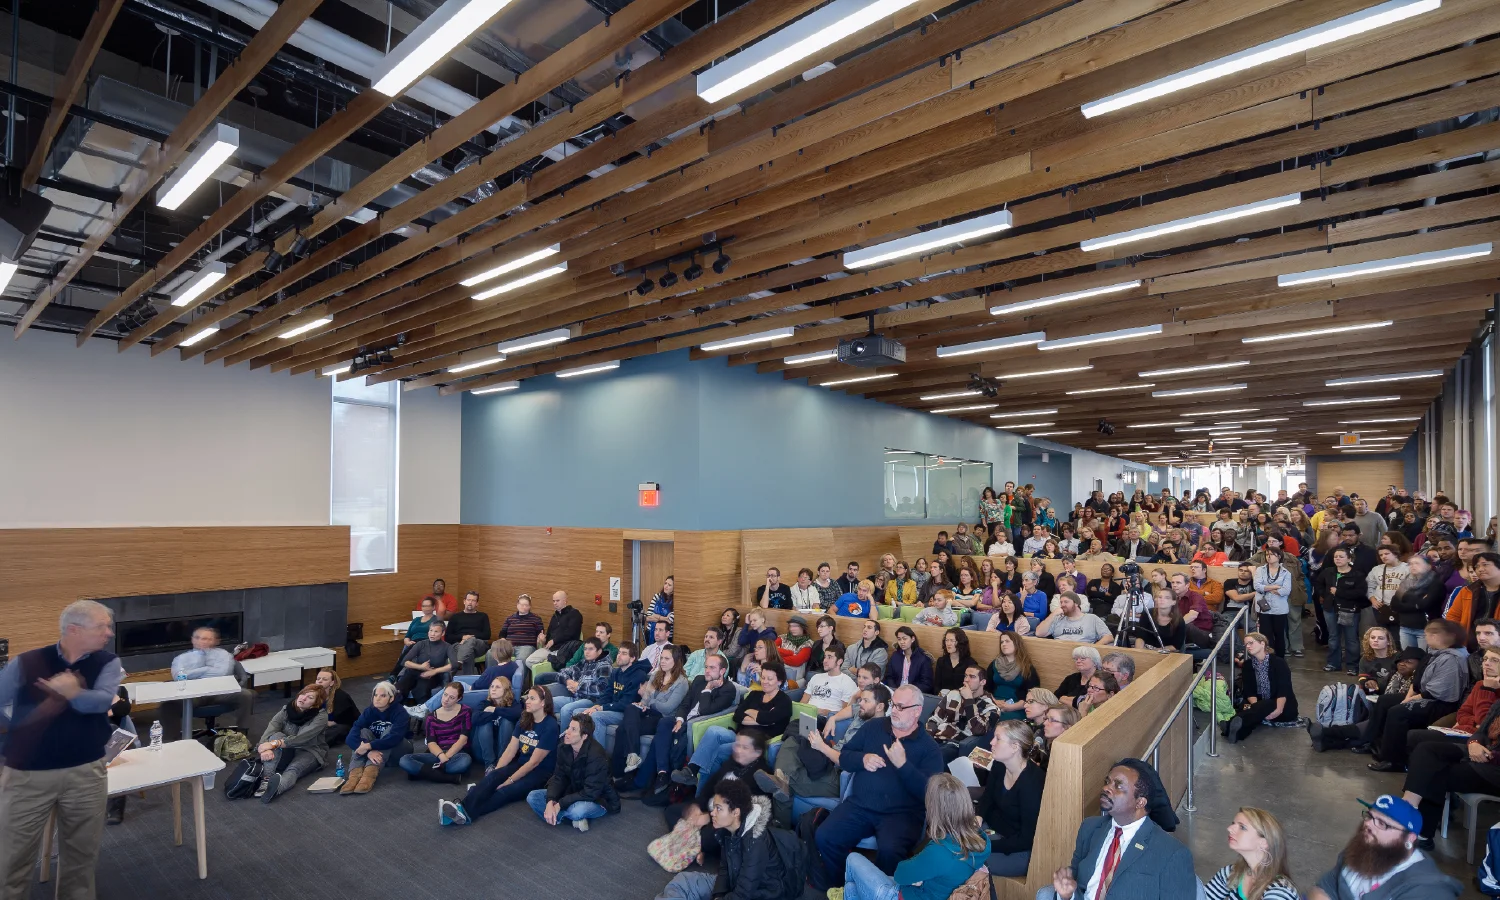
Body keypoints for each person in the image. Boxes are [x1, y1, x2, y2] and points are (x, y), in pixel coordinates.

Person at [0, 601, 122, 900]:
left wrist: (74, 693)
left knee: (81, 858)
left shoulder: (107, 662)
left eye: (109, 626)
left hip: (86, 772)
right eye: (101, 627)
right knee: (11, 858)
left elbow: (104, 701)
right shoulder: (27, 661)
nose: (108, 633)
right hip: (27, 773)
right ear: (73, 629)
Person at [814, 684, 944, 886]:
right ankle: (842, 887)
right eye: (894, 705)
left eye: (901, 707)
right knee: (825, 836)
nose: (894, 711)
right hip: (860, 804)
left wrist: (902, 765)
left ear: (917, 711)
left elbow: (930, 793)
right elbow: (846, 755)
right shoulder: (873, 727)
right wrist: (862, 759)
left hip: (902, 814)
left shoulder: (929, 748)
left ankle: (880, 892)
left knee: (891, 851)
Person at [1042, 760, 1198, 900]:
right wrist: (1067, 895)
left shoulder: (1172, 853)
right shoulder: (1089, 828)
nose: (1106, 788)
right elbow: (1077, 882)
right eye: (1107, 782)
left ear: (1140, 802)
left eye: (1118, 786)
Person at [838, 773, 990, 900]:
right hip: (935, 890)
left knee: (853, 859)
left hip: (905, 896)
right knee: (852, 888)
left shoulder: (939, 851)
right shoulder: (982, 839)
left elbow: (900, 875)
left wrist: (919, 873)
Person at [758, 683, 889, 828]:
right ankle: (781, 780)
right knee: (794, 739)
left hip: (839, 773)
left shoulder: (879, 734)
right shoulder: (863, 711)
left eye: (866, 701)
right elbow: (850, 708)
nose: (861, 704)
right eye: (861, 699)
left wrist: (822, 747)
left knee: (787, 782)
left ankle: (780, 823)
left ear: (880, 707)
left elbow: (849, 762)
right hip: (828, 755)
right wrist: (832, 719)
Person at [1397, 646, 1500, 818]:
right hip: (1477, 743)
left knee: (1431, 768)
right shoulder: (1482, 685)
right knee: (1423, 747)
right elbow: (1466, 715)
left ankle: (1415, 822)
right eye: (1485, 659)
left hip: (1492, 761)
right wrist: (1475, 740)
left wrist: (1487, 692)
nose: (1487, 664)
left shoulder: (1487, 688)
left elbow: (1483, 723)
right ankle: (1409, 809)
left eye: (1494, 660)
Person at [441, 686, 558, 825]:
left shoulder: (550, 726)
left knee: (504, 791)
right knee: (493, 777)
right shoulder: (525, 718)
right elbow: (510, 750)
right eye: (527, 697)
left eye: (532, 698)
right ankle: (462, 809)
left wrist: (509, 781)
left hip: (540, 773)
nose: (527, 701)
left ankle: (465, 813)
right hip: (521, 764)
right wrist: (496, 774)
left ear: (543, 703)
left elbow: (533, 763)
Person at [1306, 795, 1460, 899]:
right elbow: (1324, 888)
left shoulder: (1428, 891)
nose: (1368, 824)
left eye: (1382, 823)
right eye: (1370, 816)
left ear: (1410, 838)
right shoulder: (1362, 850)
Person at [1364, 619, 1469, 771]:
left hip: (1441, 703)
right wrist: (1408, 697)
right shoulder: (1434, 653)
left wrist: (1410, 701)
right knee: (1385, 701)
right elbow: (1418, 678)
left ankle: (1394, 760)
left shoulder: (1452, 658)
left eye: (1431, 634)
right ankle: (1373, 743)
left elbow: (1439, 691)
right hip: (1426, 695)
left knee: (1397, 712)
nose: (1427, 638)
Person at [653, 779, 783, 900]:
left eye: (718, 808)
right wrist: (718, 895)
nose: (712, 813)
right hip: (735, 881)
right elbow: (725, 869)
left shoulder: (756, 844)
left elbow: (744, 892)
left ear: (735, 812)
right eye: (714, 807)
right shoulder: (727, 829)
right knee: (682, 882)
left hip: (759, 893)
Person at [673, 661, 792, 786]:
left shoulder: (784, 701)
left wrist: (752, 713)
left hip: (756, 743)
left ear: (779, 681)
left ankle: (702, 792)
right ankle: (691, 771)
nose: (765, 681)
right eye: (763, 677)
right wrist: (759, 718)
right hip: (738, 734)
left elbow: (768, 719)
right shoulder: (754, 694)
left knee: (716, 751)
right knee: (713, 731)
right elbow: (738, 715)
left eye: (770, 679)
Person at [636, 653, 738, 796]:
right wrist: (679, 719)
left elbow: (706, 710)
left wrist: (708, 688)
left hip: (697, 725)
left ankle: (649, 779)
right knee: (664, 723)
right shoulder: (698, 680)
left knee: (661, 739)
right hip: (684, 720)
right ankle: (662, 772)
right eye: (706, 667)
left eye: (712, 668)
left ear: (722, 671)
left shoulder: (728, 689)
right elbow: (686, 703)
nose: (707, 671)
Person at [226, 683, 329, 802]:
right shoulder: (287, 709)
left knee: (293, 769)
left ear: (315, 705)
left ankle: (277, 788)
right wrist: (264, 747)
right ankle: (267, 779)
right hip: (286, 749)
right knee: (275, 735)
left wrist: (274, 744)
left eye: (310, 698)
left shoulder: (321, 716)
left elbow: (301, 738)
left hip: (309, 750)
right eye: (303, 694)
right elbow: (271, 728)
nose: (303, 698)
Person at [526, 715, 619, 832]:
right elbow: (558, 778)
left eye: (573, 729)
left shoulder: (596, 756)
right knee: (533, 797)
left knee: (577, 811)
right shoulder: (563, 746)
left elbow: (590, 792)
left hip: (598, 798)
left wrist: (559, 804)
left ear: (584, 736)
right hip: (573, 790)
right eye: (568, 727)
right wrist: (550, 801)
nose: (567, 732)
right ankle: (568, 819)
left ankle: (564, 816)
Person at [159, 625, 255, 736]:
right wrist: (208, 669)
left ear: (216, 641)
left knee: (246, 695)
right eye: (198, 638)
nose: (201, 641)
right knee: (168, 705)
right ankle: (172, 742)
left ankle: (242, 735)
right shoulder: (181, 658)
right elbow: (178, 677)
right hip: (193, 694)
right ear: (192, 639)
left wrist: (193, 672)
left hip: (221, 691)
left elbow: (222, 673)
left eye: (207, 639)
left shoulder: (224, 655)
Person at [976, 720, 1044, 877]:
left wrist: (986, 845)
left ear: (1015, 747)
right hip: (994, 832)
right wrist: (979, 816)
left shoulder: (1031, 783)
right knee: (954, 845)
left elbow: (1026, 839)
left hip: (1017, 849)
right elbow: (987, 798)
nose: (991, 743)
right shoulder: (1000, 764)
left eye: (998, 739)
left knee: (966, 862)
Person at [611, 645, 690, 777]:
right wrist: (642, 704)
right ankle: (631, 758)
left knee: (622, 729)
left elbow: (667, 707)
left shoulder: (681, 682)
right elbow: (645, 699)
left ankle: (618, 773)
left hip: (662, 719)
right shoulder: (656, 675)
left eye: (667, 658)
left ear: (676, 661)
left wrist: (650, 700)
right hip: (648, 712)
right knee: (631, 707)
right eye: (661, 658)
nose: (662, 661)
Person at [1205, 808, 1299, 900]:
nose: (1229, 829)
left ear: (1264, 842)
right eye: (1233, 824)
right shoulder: (1230, 873)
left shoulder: (1281, 892)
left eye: (1242, 827)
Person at [339, 681, 411, 794]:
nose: (377, 699)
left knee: (389, 731)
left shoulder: (401, 712)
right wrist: (368, 752)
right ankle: (353, 778)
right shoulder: (369, 711)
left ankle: (368, 778)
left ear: (391, 698)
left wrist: (369, 746)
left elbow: (394, 738)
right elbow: (350, 737)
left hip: (399, 752)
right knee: (364, 731)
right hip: (376, 753)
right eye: (376, 695)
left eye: (383, 696)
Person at [1226, 633, 1297, 744]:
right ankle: (1237, 733)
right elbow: (1249, 691)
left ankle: (1228, 725)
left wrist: (1278, 710)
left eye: (1251, 643)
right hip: (1260, 703)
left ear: (1262, 643)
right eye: (1246, 644)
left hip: (1280, 706)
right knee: (1247, 707)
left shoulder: (1279, 663)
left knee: (1262, 707)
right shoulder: (1248, 665)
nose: (1248, 646)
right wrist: (1257, 706)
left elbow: (1284, 689)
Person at [399, 681, 472, 782]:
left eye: (452, 697)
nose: (446, 700)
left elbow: (463, 740)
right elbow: (431, 742)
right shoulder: (431, 717)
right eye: (445, 695)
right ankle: (447, 777)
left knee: (465, 761)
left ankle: (422, 773)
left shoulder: (465, 711)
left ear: (459, 699)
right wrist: (441, 756)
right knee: (404, 760)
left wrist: (446, 757)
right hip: (437, 754)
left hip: (456, 753)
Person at [926, 663, 999, 762]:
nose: (966, 680)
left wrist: (969, 700)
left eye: (972, 677)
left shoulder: (990, 707)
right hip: (937, 738)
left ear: (983, 682)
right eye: (965, 676)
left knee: (935, 757)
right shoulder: (953, 694)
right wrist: (927, 738)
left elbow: (978, 730)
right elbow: (934, 719)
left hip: (956, 744)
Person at [1319, 547, 1368, 676]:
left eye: (1341, 556)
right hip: (1330, 609)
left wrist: (1339, 592)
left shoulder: (1357, 574)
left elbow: (1360, 593)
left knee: (1351, 638)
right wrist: (1325, 596)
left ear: (1349, 559)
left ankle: (1353, 666)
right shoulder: (1328, 572)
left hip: (1349, 610)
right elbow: (1319, 584)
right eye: (1336, 557)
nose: (1338, 559)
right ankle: (1333, 663)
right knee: (1333, 637)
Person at [553, 637, 614, 725]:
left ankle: (566, 737)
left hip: (592, 701)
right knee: (547, 702)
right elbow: (562, 672)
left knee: (566, 710)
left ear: (599, 651)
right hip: (576, 697)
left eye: (590, 649)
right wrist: (568, 681)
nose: (587, 652)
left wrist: (578, 686)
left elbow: (602, 689)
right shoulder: (584, 663)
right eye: (585, 649)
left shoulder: (605, 666)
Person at [395, 618, 455, 705]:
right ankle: (397, 711)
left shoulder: (447, 647)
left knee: (421, 690)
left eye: (436, 631)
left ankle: (421, 714)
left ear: (443, 633)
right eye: (431, 630)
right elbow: (404, 662)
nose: (432, 634)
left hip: (433, 675)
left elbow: (454, 664)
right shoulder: (421, 644)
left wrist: (434, 671)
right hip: (414, 672)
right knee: (398, 690)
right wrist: (421, 667)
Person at [1390, 554, 1444, 650]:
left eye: (1417, 563)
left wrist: (1406, 604)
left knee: (1424, 659)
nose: (1413, 566)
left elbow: (1426, 604)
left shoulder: (1435, 583)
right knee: (1408, 658)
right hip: (1405, 626)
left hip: (1425, 629)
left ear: (1428, 566)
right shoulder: (1406, 582)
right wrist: (1416, 605)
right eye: (1410, 563)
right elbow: (1394, 604)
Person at [470, 677, 522, 772]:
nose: (493, 689)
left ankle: (501, 764)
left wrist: (495, 710)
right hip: (482, 751)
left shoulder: (513, 704)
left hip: (503, 752)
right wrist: (497, 714)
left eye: (498, 687)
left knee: (507, 721)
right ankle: (490, 766)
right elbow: (474, 719)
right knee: (484, 723)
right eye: (492, 686)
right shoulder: (484, 703)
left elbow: (517, 714)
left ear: (506, 690)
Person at [989, 632, 1040, 719]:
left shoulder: (1027, 668)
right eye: (1002, 642)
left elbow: (1033, 695)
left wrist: (1010, 707)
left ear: (1016, 644)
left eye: (1007, 641)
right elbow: (986, 687)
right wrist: (994, 701)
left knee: (1001, 721)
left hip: (1017, 707)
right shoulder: (994, 664)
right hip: (993, 703)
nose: (1004, 644)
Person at [1253, 549, 1293, 658]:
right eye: (1267, 554)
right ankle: (1266, 657)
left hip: (1279, 609)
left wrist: (1266, 588)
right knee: (1265, 635)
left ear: (1279, 556)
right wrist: (1274, 587)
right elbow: (1257, 586)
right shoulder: (1260, 570)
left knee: (1279, 635)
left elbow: (1286, 590)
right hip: (1264, 608)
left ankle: (1279, 658)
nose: (1269, 556)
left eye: (1272, 554)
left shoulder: (1286, 572)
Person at [801, 643, 859, 718]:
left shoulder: (847, 682)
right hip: (806, 715)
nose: (825, 661)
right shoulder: (816, 677)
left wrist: (826, 712)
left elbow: (846, 711)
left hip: (825, 719)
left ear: (839, 661)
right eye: (825, 657)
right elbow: (803, 702)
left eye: (830, 657)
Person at [1038, 592, 1114, 645]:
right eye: (1061, 602)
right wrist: (1053, 614)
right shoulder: (1057, 618)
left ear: (1076, 603)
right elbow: (1039, 633)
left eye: (1066, 602)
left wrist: (1094, 648)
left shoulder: (1092, 618)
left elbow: (1109, 637)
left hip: (1082, 654)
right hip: (1059, 651)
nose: (1062, 605)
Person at [446, 590, 492, 675]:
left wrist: (469, 638)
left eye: (473, 600)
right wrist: (462, 637)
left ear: (477, 603)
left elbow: (487, 635)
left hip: (479, 645)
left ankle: (458, 663)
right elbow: (448, 637)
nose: (470, 602)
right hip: (459, 645)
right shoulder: (455, 617)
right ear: (464, 601)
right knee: (469, 652)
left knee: (471, 641)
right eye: (468, 600)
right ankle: (468, 681)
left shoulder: (483, 616)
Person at [494, 593, 545, 671]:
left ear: (530, 606)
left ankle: (517, 681)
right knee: (491, 654)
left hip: (527, 646)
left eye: (526, 605)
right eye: (522, 605)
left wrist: (541, 637)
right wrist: (502, 639)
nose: (524, 607)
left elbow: (540, 633)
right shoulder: (510, 618)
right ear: (517, 605)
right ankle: (493, 678)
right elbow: (503, 632)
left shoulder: (536, 619)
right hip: (509, 646)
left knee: (521, 659)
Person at [314, 667, 359, 748]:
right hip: (322, 723)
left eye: (324, 679)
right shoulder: (313, 694)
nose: (320, 681)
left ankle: (316, 744)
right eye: (318, 679)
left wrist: (326, 723)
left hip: (341, 724)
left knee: (339, 730)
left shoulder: (341, 696)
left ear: (331, 683)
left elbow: (348, 719)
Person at [883, 626, 935, 695]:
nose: (901, 642)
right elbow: (889, 676)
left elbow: (926, 684)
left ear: (912, 639)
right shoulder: (895, 656)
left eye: (904, 639)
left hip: (914, 694)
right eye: (899, 639)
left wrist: (908, 692)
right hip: (896, 692)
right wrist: (895, 690)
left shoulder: (923, 658)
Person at [542, 590, 585, 668]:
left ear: (565, 601)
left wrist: (554, 640)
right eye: (553, 601)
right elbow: (549, 633)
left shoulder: (574, 614)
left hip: (564, 650)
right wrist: (543, 639)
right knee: (529, 660)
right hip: (550, 648)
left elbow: (571, 633)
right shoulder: (555, 616)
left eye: (557, 601)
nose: (555, 603)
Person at [647, 575, 675, 640]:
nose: (666, 586)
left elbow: (669, 621)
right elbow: (648, 616)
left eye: (669, 585)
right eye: (665, 583)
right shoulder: (657, 596)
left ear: (674, 588)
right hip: (651, 631)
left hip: (666, 636)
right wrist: (663, 618)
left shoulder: (675, 602)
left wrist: (654, 616)